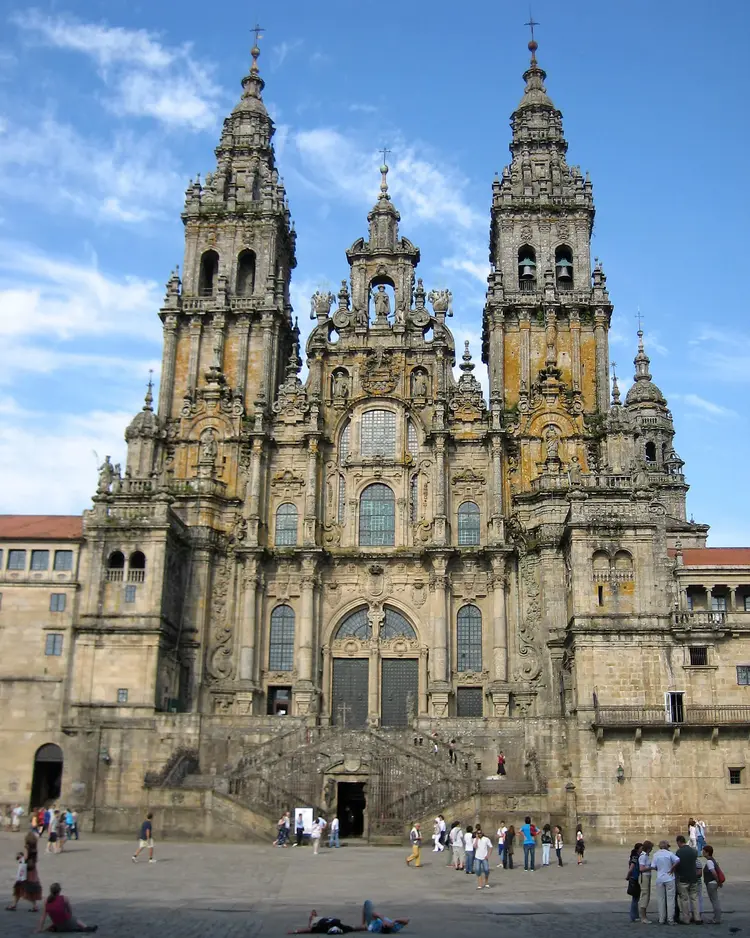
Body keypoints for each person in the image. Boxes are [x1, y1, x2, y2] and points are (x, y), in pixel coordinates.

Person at [651, 839, 680, 925]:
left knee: (661, 899)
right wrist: (672, 868)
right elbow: (678, 860)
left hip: (660, 878)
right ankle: (670, 919)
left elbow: (653, 866)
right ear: (667, 846)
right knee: (670, 900)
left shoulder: (656, 854)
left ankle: (661, 919)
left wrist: (659, 869)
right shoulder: (670, 854)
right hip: (670, 878)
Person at [674, 835, 701, 923]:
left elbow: (677, 865)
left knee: (684, 899)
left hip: (683, 878)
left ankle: (686, 919)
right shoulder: (693, 851)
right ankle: (697, 917)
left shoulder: (679, 852)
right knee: (694, 898)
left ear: (679, 842)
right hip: (693, 878)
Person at [289, 908, 364, 934]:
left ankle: (334, 929)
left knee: (351, 928)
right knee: (351, 928)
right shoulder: (314, 921)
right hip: (331, 923)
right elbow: (308, 930)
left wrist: (295, 931)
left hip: (328, 923)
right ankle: (365, 928)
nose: (312, 914)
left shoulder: (316, 921)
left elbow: (308, 930)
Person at [701, 846, 722, 925]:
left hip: (711, 883)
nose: (702, 852)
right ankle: (716, 917)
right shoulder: (712, 860)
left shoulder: (709, 862)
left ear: (707, 852)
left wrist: (718, 881)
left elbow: (714, 873)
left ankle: (717, 918)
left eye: (703, 851)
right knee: (715, 900)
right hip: (713, 883)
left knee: (714, 901)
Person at [627, 842, 643, 922]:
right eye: (641, 848)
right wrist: (628, 876)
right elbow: (631, 868)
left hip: (634, 877)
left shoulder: (635, 856)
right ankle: (634, 916)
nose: (642, 850)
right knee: (635, 898)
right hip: (634, 878)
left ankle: (635, 915)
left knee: (635, 898)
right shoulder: (635, 857)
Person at [638, 840, 654, 923]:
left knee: (647, 896)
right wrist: (651, 868)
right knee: (645, 895)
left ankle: (644, 916)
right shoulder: (643, 856)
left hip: (647, 876)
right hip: (645, 877)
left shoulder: (646, 856)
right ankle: (643, 917)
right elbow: (641, 869)